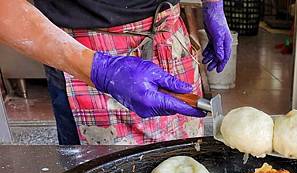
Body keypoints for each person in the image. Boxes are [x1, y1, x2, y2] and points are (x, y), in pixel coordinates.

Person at [0, 0, 232, 145]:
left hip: (168, 36)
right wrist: (100, 69)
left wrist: (213, 5)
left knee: (183, 168)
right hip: (86, 53)